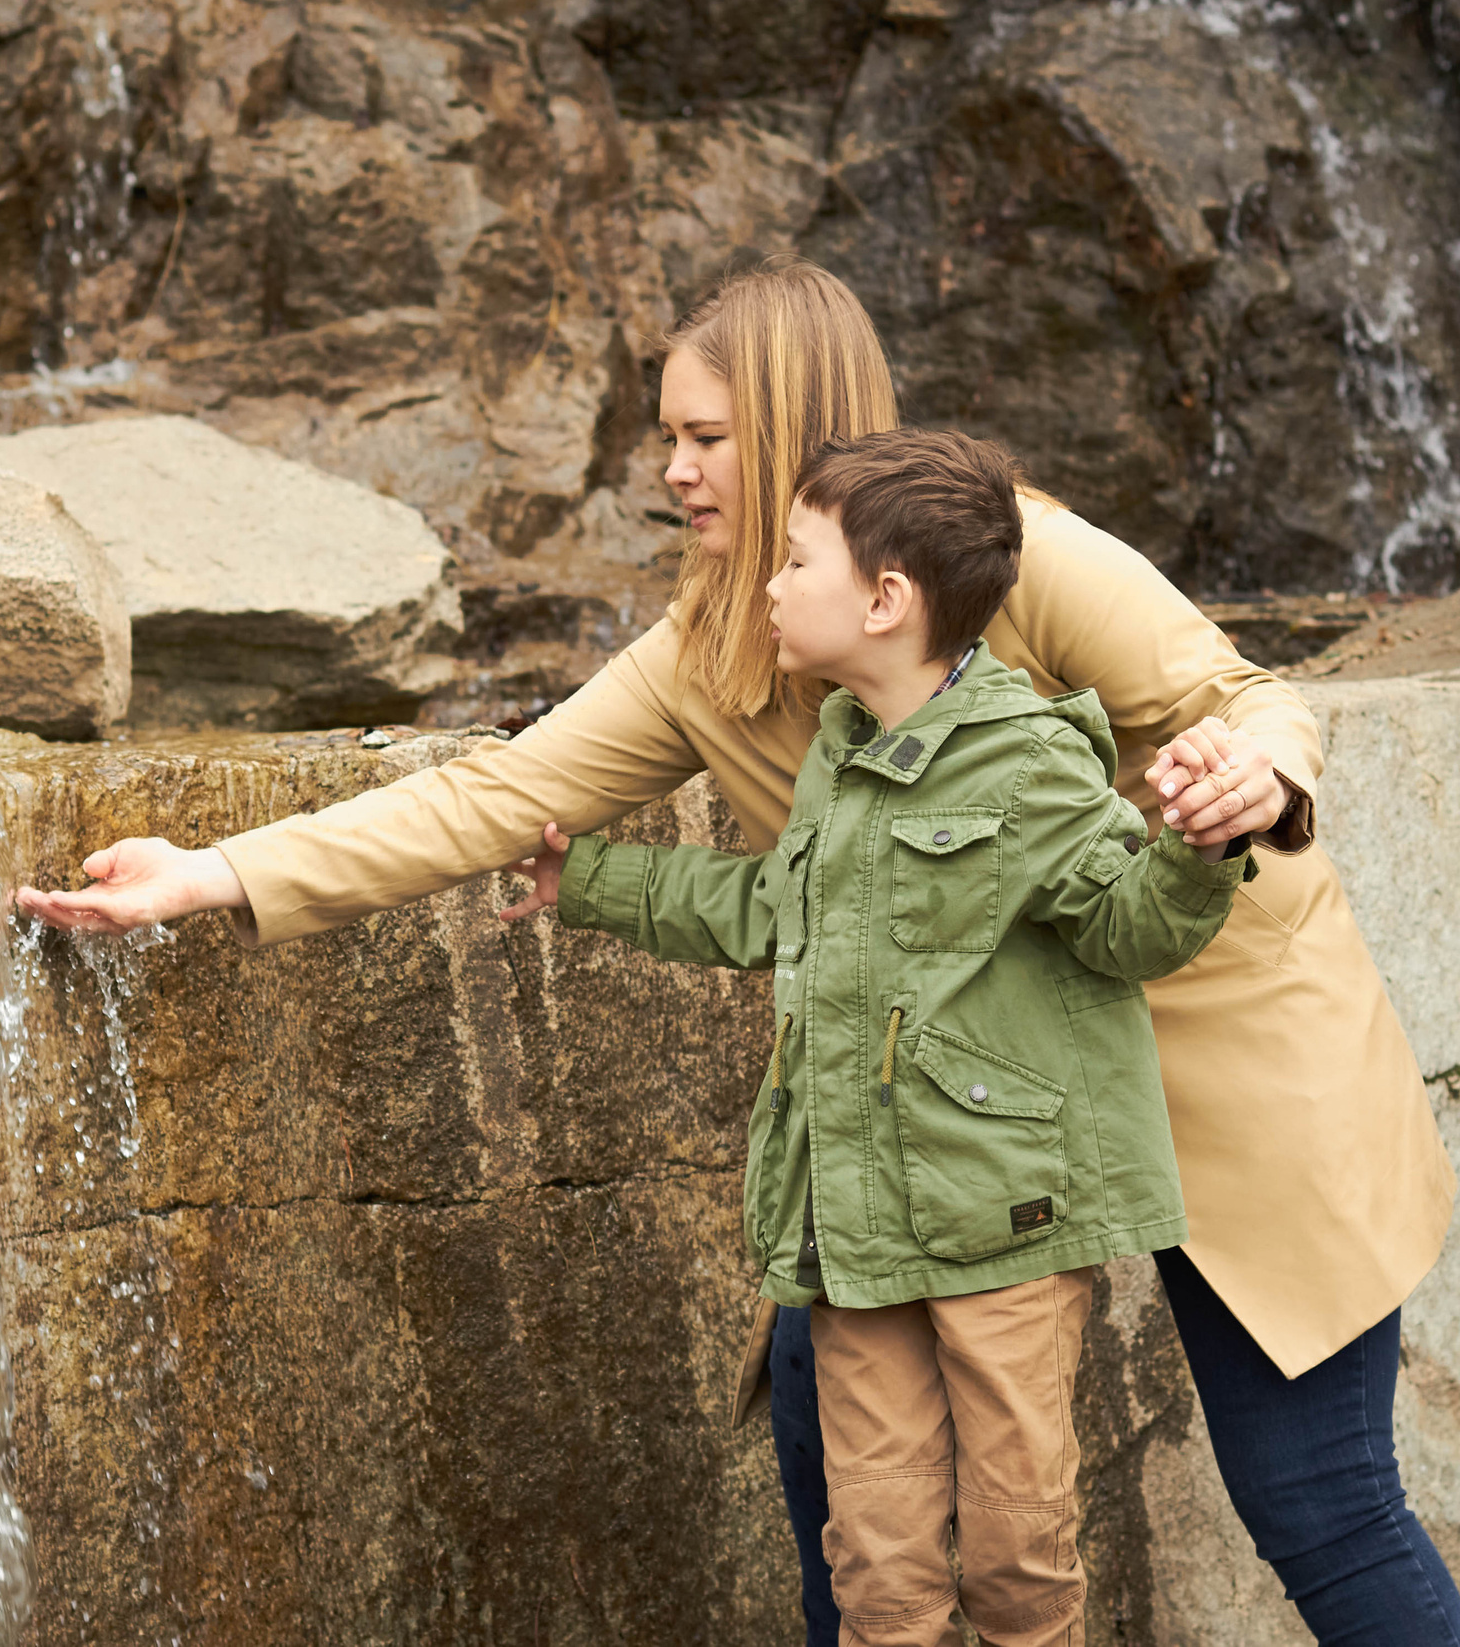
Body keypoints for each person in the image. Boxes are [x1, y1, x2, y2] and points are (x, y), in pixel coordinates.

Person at [19, 260, 1460, 1646]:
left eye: (704, 437)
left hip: (1227, 1066)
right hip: (955, 1138)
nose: (672, 471)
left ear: (790, 427)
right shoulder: (712, 650)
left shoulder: (1003, 555)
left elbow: (1245, 694)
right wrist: (214, 871)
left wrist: (1253, 779)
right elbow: (494, 795)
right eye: (668, 438)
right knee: (831, 1458)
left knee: (1318, 1504)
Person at [505, 424, 1251, 1644]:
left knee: (1019, 1558)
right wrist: (584, 880)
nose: (768, 585)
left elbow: (1128, 929)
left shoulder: (1028, 762)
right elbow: (771, 907)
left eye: (796, 562)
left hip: (1004, 1227)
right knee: (877, 1569)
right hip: (855, 1223)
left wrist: (1197, 851)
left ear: (886, 600)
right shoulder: (841, 751)